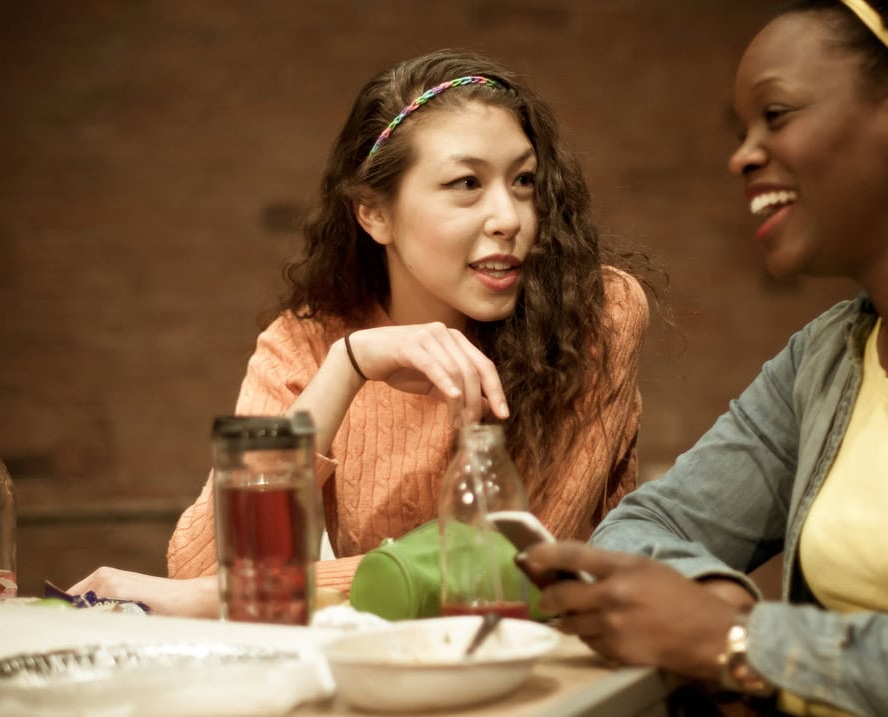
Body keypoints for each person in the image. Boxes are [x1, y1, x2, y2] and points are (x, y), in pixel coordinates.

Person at [518, 1, 888, 714]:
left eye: (776, 114)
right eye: (742, 129)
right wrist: (711, 593)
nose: (741, 154)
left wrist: (738, 638)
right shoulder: (821, 358)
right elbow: (643, 527)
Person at [70, 49, 652, 618]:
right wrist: (346, 368)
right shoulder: (305, 341)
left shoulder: (595, 314)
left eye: (523, 180)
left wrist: (233, 594)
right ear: (374, 214)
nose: (510, 217)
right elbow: (199, 567)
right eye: (466, 184)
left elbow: (520, 559)